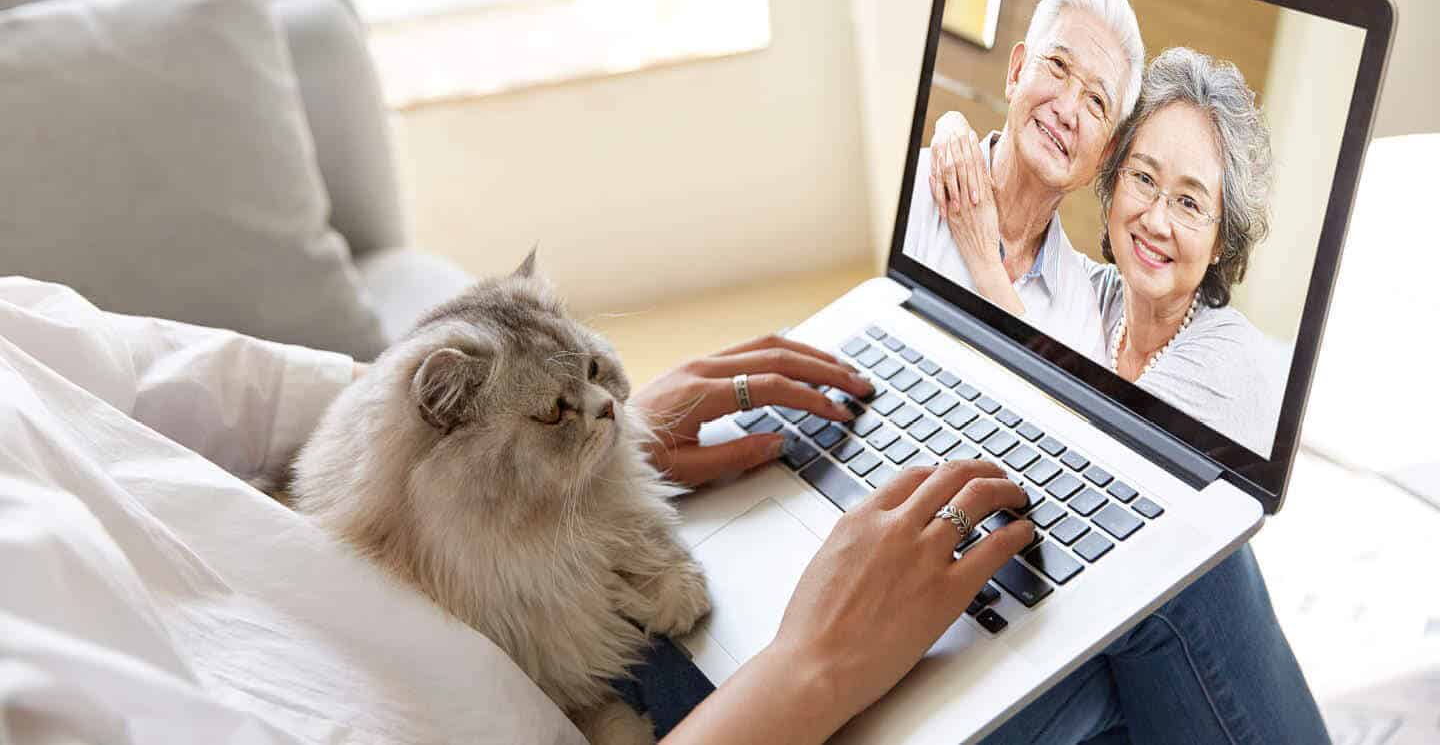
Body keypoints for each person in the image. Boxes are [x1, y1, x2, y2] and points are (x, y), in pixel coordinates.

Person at [0, 277, 1324, 744]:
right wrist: (805, 675)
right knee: (1165, 570)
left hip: (513, 642)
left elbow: (182, 382)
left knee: (1105, 544)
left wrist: (564, 453)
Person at [933, 47, 1284, 453]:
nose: (1155, 220)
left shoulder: (1230, 360)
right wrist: (954, 133)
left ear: (1222, 240)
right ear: (1112, 177)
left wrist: (984, 264)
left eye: (1188, 202)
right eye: (1143, 178)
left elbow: (1082, 449)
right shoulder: (1094, 295)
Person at [904, 0, 1145, 361]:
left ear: (1105, 154)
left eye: (1096, 102)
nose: (1067, 110)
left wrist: (984, 262)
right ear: (1016, 72)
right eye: (1058, 65)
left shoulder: (1080, 318)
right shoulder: (918, 189)